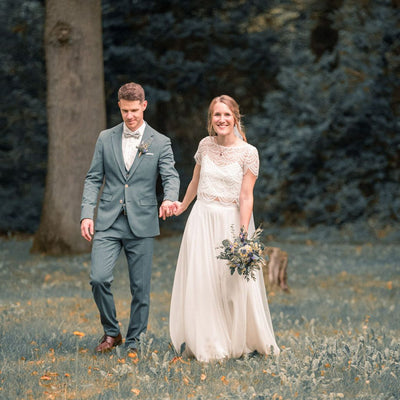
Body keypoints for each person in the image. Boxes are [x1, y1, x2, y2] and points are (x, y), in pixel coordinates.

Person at [169, 95, 279, 362]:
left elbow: (246, 196)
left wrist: (242, 236)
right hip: (202, 218)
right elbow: (195, 181)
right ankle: (207, 341)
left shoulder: (248, 152)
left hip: (229, 223)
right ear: (211, 120)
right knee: (202, 280)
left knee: (229, 283)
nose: (222, 120)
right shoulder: (204, 146)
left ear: (235, 118)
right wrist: (182, 206)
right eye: (217, 115)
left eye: (226, 115)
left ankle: (238, 337)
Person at [81, 82, 179, 354]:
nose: (130, 116)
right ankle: (112, 332)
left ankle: (135, 341)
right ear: (119, 107)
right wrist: (86, 215)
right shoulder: (105, 138)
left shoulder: (159, 142)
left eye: (134, 110)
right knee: (99, 278)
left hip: (143, 221)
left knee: (140, 288)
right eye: (125, 110)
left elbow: (170, 175)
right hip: (108, 221)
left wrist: (169, 198)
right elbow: (93, 179)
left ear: (144, 106)